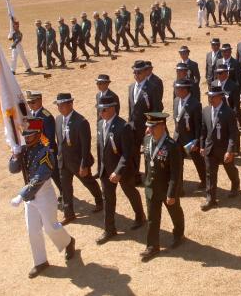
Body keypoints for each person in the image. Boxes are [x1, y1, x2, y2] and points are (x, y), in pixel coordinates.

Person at [8, 118, 76, 278]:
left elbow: (40, 177)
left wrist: (21, 195)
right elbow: (13, 170)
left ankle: (68, 241)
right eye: (25, 134)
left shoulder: (46, 152)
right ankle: (40, 262)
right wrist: (15, 156)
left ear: (38, 134)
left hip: (44, 195)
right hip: (30, 197)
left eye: (30, 135)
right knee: (32, 230)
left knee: (50, 227)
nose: (26, 138)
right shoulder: (24, 150)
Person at [95, 95, 146, 245]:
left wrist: (118, 171)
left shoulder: (123, 127)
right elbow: (100, 149)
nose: (101, 113)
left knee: (130, 192)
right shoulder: (100, 125)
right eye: (99, 110)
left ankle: (140, 215)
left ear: (112, 109)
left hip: (122, 171)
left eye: (103, 110)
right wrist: (100, 168)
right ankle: (109, 229)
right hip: (106, 169)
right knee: (108, 199)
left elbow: (127, 153)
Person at [140, 112, 185, 261]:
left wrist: (172, 193)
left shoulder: (172, 146)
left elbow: (175, 173)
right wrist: (146, 183)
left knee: (175, 213)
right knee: (152, 218)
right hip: (151, 188)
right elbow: (147, 164)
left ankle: (178, 234)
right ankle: (152, 246)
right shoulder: (147, 140)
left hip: (166, 189)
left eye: (153, 127)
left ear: (162, 126)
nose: (150, 130)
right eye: (149, 127)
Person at [54, 93, 103, 225]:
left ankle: (99, 200)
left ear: (71, 104)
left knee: (88, 182)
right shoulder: (58, 120)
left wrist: (84, 164)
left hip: (77, 162)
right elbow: (59, 142)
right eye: (58, 105)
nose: (60, 108)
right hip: (63, 162)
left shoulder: (81, 122)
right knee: (65, 188)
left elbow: (85, 146)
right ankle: (69, 214)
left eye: (62, 105)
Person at [200, 85, 240, 211]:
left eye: (213, 97)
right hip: (210, 149)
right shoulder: (206, 111)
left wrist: (230, 151)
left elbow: (233, 134)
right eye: (209, 97)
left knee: (230, 169)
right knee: (210, 174)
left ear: (220, 97)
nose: (210, 99)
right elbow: (203, 130)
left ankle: (235, 183)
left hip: (224, 150)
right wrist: (202, 146)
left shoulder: (229, 112)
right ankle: (210, 199)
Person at [128, 60, 163, 183]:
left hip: (146, 126)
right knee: (133, 152)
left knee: (148, 152)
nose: (136, 75)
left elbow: (157, 108)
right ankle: (136, 175)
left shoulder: (152, 88)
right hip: (133, 126)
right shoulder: (131, 87)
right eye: (135, 72)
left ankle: (150, 176)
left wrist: (152, 125)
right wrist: (129, 123)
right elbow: (131, 108)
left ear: (144, 72)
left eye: (139, 72)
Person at [26, 90, 62, 205]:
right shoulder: (30, 115)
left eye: (33, 102)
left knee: (55, 174)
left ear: (40, 100)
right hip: (36, 150)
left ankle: (64, 192)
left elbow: (49, 137)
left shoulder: (46, 116)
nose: (30, 105)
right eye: (29, 102)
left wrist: (41, 147)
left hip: (47, 151)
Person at [173, 78, 206, 191]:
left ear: (185, 90)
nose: (175, 90)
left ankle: (205, 180)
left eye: (177, 88)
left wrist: (197, 141)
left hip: (190, 139)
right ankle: (179, 187)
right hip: (178, 137)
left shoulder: (195, 104)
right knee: (177, 162)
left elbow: (198, 125)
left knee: (198, 161)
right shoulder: (176, 100)